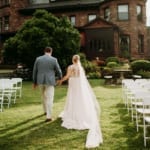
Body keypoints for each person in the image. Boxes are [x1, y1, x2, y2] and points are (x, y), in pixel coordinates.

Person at [58, 54, 103, 148]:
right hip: (79, 85)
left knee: (72, 98)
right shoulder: (80, 68)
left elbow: (68, 76)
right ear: (78, 60)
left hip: (73, 84)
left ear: (72, 59)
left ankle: (72, 114)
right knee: (79, 99)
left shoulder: (70, 67)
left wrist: (61, 80)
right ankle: (82, 113)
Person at [32, 47, 62, 122]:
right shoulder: (54, 59)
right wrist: (60, 78)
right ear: (51, 52)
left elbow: (35, 71)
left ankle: (45, 111)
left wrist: (34, 82)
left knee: (43, 97)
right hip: (50, 81)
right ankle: (48, 116)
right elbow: (58, 70)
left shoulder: (38, 59)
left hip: (40, 81)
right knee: (50, 98)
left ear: (44, 51)